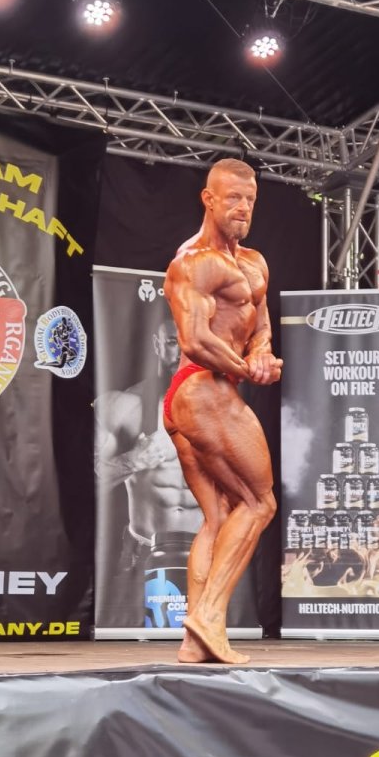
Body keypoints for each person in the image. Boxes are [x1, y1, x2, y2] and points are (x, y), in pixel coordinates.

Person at [162, 158, 283, 665]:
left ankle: (195, 643)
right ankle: (209, 616)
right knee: (259, 503)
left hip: (199, 395)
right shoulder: (193, 262)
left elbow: (261, 324)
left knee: (218, 516)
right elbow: (195, 339)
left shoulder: (254, 263)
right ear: (208, 200)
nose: (243, 208)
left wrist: (262, 354)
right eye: (233, 198)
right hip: (202, 388)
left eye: (250, 200)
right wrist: (246, 368)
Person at [94, 318, 202, 616]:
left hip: (206, 554)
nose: (182, 354)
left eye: (190, 346)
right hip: (144, 551)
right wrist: (134, 460)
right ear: (156, 345)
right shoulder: (123, 405)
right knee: (132, 635)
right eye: (172, 342)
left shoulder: (225, 410)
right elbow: (83, 487)